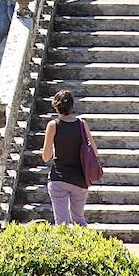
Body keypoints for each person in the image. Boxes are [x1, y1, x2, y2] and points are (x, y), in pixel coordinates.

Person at [40, 89, 98, 226]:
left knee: (62, 223)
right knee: (79, 219)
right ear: (72, 106)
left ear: (55, 106)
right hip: (80, 179)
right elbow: (95, 151)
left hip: (59, 179)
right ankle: (88, 245)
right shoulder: (82, 124)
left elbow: (46, 157)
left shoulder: (53, 125)